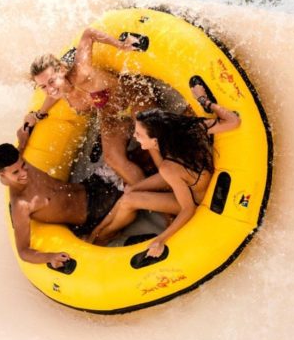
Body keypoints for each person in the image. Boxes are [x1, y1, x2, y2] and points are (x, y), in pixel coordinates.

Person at [88, 85, 241, 257]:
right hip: (187, 179)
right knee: (130, 191)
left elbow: (188, 209)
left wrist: (161, 238)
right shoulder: (187, 129)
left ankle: (100, 236)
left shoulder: (169, 168)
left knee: (128, 200)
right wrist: (204, 101)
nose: (135, 138)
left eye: (139, 134)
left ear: (155, 140)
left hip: (195, 198)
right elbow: (234, 121)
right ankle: (98, 232)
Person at [21, 27, 157, 185]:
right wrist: (37, 115)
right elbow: (52, 97)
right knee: (112, 158)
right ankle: (148, 193)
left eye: (51, 81)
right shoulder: (60, 92)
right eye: (43, 86)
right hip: (112, 116)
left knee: (150, 135)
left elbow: (89, 34)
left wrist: (120, 45)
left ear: (62, 70)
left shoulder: (81, 72)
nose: (49, 89)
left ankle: (169, 179)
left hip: (132, 98)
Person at [0, 142, 122, 268]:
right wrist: (50, 257)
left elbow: (22, 142)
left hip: (90, 184)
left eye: (23, 166)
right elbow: (23, 252)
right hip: (93, 211)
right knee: (132, 183)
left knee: (129, 157)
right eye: (16, 173)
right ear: (2, 174)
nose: (24, 173)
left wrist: (30, 122)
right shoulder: (21, 204)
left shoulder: (18, 161)